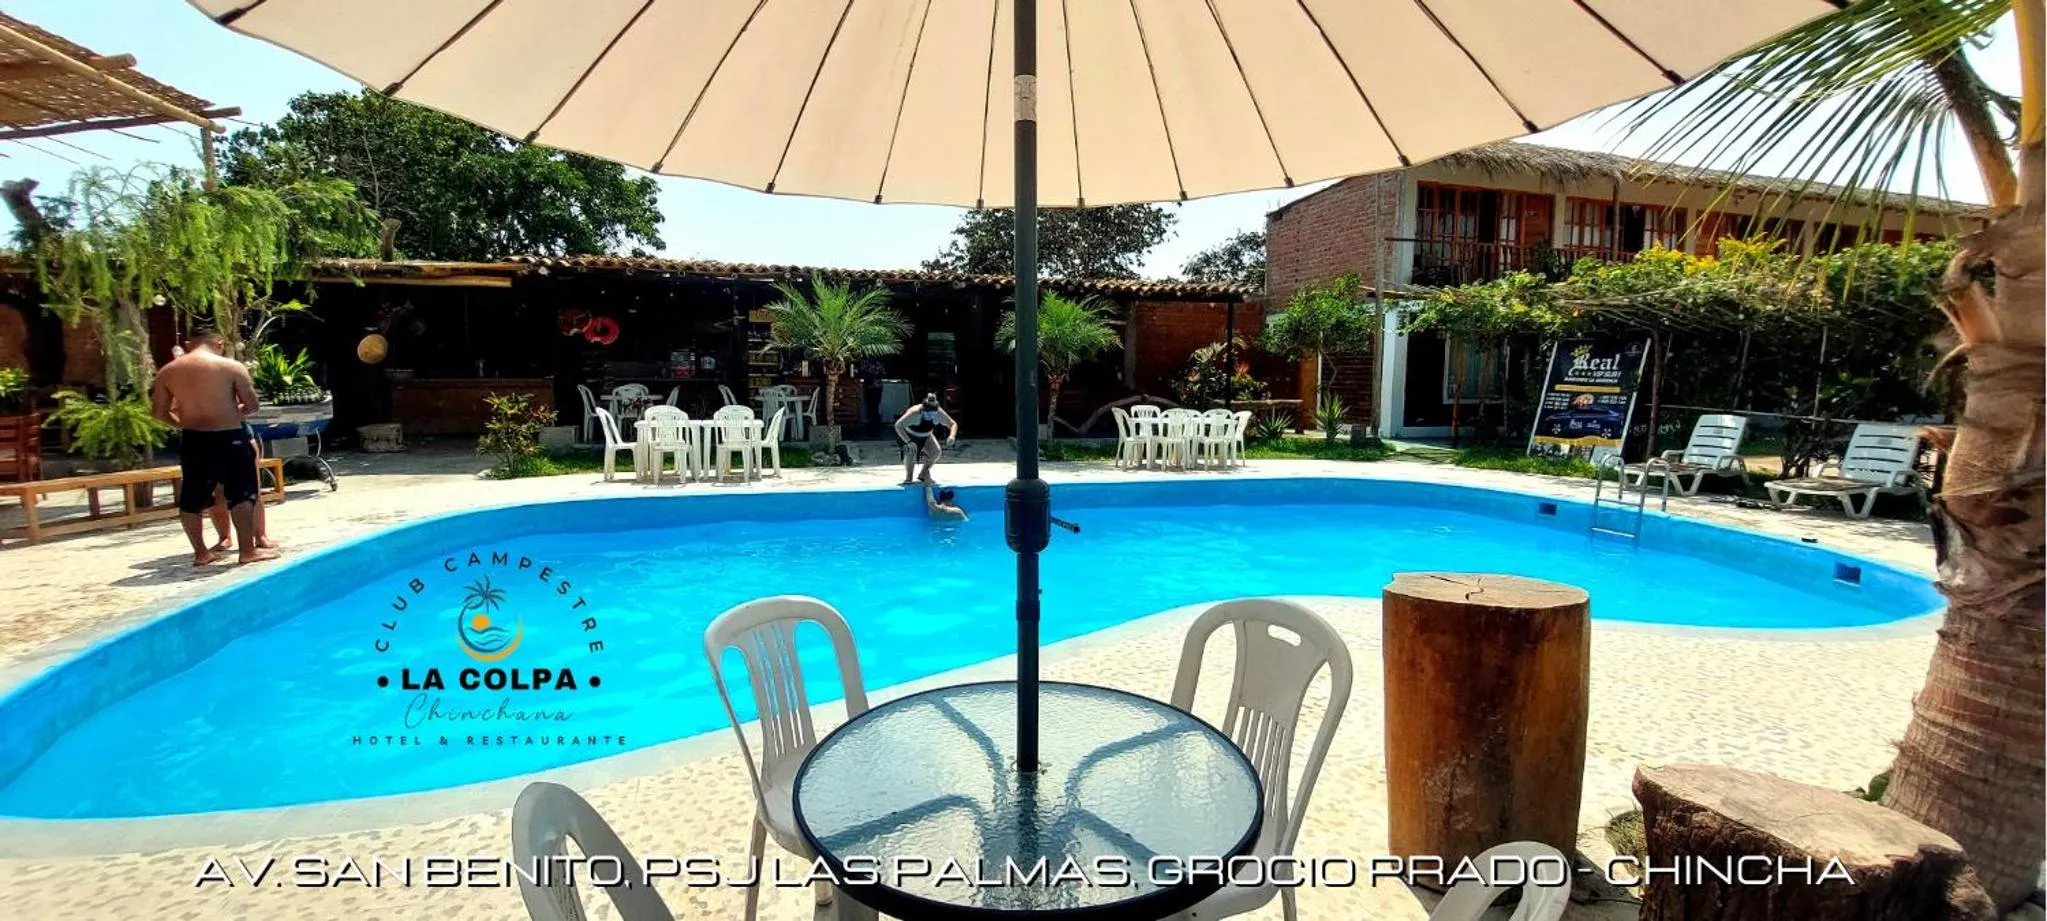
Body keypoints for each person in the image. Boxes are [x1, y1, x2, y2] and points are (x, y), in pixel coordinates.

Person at [153, 325, 278, 566]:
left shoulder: (168, 371)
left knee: (192, 497)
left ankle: (201, 553)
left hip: (194, 439)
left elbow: (159, 412)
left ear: (189, 344)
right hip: (229, 435)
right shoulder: (230, 367)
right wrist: (231, 412)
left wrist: (182, 423)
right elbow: (252, 405)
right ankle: (247, 551)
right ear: (219, 343)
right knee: (242, 494)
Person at [894, 393, 957, 486]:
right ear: (922, 410)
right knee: (911, 451)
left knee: (936, 452)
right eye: (927, 413)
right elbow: (898, 425)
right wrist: (908, 441)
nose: (929, 416)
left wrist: (952, 436)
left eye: (932, 413)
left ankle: (923, 474)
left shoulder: (939, 413)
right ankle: (909, 477)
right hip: (909, 435)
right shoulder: (914, 413)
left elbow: (953, 424)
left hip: (926, 435)